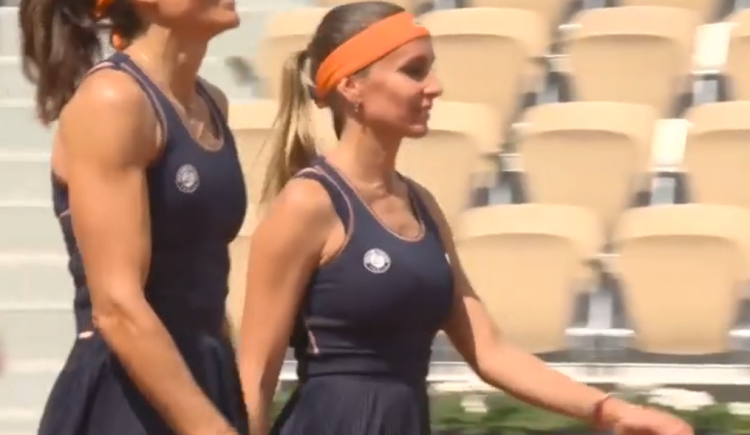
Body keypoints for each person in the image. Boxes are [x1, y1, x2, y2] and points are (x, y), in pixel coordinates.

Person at [236, 2, 696, 435]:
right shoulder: (308, 203)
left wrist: (609, 410)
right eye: (413, 71)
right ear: (351, 86)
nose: (434, 85)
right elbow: (255, 376)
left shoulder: (423, 205)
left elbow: (489, 350)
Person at [18, 0, 249, 432]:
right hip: (126, 398)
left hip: (204, 374)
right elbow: (118, 308)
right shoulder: (114, 101)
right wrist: (208, 427)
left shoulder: (211, 102)